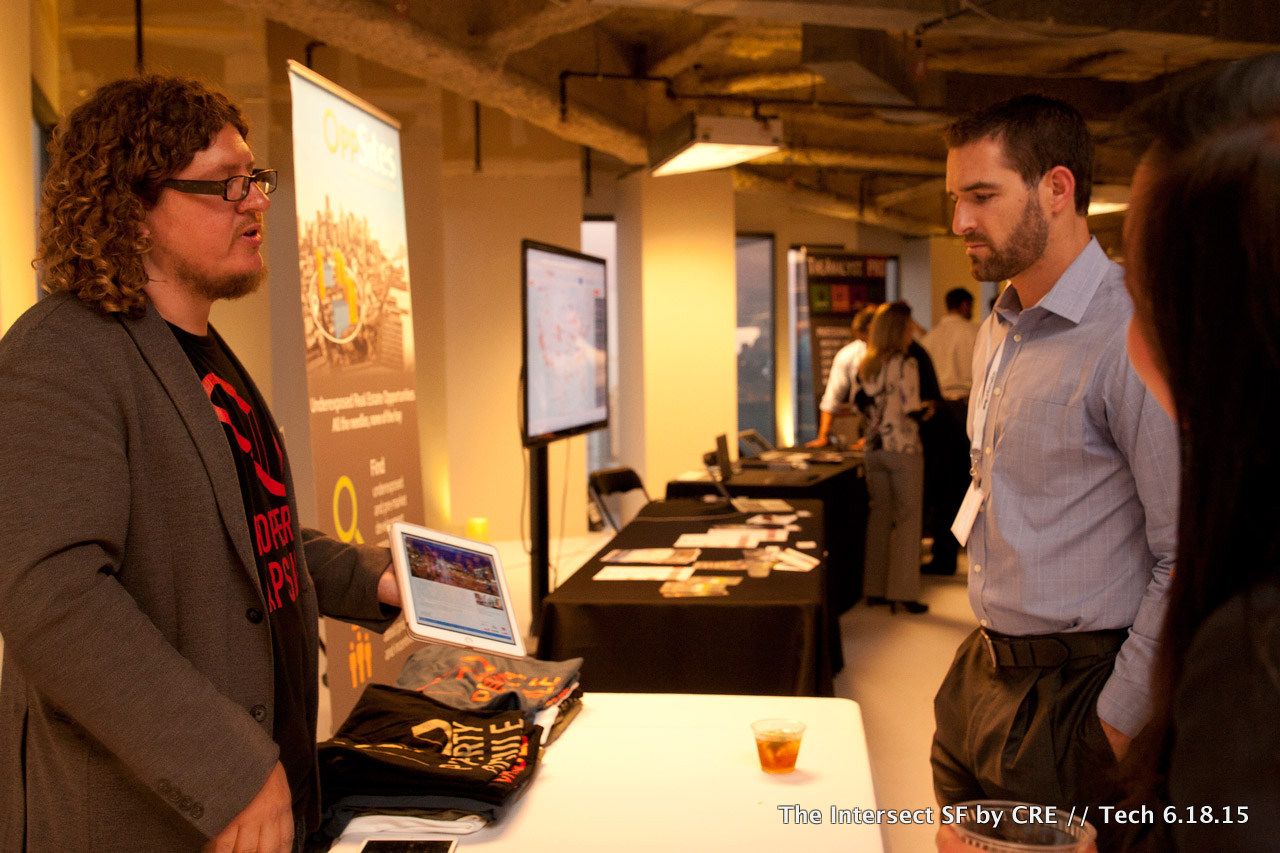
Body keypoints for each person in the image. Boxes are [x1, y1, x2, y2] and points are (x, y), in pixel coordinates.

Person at [0, 76, 402, 853]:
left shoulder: (202, 353)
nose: (258, 202)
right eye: (226, 184)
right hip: (152, 820)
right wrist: (228, 766)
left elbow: (240, 538)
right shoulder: (59, 352)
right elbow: (53, 599)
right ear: (133, 207)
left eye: (255, 178)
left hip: (272, 805)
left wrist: (374, 576)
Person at [930, 93, 1179, 841]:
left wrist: (1117, 721)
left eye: (982, 196)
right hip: (980, 678)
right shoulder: (998, 327)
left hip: (1079, 695)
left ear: (1057, 188)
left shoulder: (1133, 331)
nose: (959, 221)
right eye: (955, 198)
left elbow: (1190, 552)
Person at [854, 302, 929, 615]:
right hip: (903, 447)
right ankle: (903, 592)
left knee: (879, 516)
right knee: (909, 519)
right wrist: (928, 411)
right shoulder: (906, 363)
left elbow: (859, 403)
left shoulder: (866, 364)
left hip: (874, 449)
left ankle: (874, 589)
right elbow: (911, 407)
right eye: (909, 326)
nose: (912, 331)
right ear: (900, 330)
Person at [807, 303, 877, 448]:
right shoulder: (849, 355)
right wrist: (823, 436)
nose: (865, 343)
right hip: (867, 423)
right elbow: (832, 397)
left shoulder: (899, 357)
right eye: (861, 340)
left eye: (865, 339)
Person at [922, 287, 979, 420]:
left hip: (939, 405)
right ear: (965, 305)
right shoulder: (975, 332)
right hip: (966, 402)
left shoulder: (929, 337)